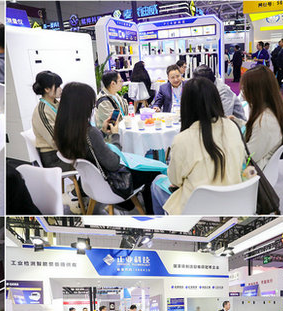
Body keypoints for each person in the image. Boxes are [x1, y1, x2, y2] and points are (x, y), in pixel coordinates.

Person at [55, 82, 158, 214]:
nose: (92, 108)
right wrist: (115, 136)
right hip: (109, 184)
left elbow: (89, 146)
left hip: (92, 182)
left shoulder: (64, 130)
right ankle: (151, 215)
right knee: (153, 172)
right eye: (91, 104)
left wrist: (102, 132)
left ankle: (127, 204)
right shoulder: (89, 132)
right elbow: (114, 163)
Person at [151, 77, 246, 214]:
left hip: (196, 209)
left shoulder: (182, 140)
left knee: (156, 183)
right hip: (233, 202)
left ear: (186, 105)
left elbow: (175, 180)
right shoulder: (232, 127)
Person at [240, 66, 283, 170]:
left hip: (251, 172)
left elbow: (249, 156)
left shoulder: (265, 121)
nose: (242, 91)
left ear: (256, 91)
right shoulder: (265, 111)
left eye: (245, 87)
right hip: (253, 166)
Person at [95, 70, 128, 145]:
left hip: (122, 131)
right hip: (111, 140)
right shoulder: (103, 101)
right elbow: (112, 124)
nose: (122, 83)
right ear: (113, 83)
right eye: (120, 81)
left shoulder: (115, 95)